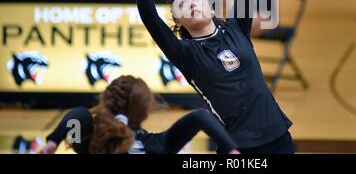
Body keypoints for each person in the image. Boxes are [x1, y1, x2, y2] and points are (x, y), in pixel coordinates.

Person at [116, 0, 294, 154]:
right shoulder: (185, 53)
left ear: (210, 6)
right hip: (237, 146)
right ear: (177, 21)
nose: (191, 4)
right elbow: (150, 18)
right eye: (182, 3)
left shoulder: (236, 28)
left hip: (278, 136)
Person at [39, 75, 240, 154]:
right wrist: (233, 151)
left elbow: (79, 115)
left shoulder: (93, 143)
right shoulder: (161, 145)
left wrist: (53, 141)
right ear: (146, 111)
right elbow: (200, 117)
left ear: (107, 103)